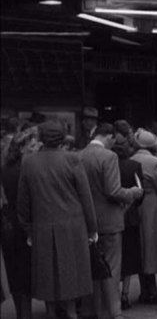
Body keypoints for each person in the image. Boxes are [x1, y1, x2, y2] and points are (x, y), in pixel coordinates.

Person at [18, 121, 98, 319]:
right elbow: (85, 197)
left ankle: (51, 312)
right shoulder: (72, 159)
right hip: (73, 226)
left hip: (42, 225)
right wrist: (92, 228)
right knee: (72, 275)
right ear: (62, 138)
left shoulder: (28, 162)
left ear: (41, 138)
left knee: (47, 276)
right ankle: (71, 313)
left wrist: (28, 229)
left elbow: (23, 201)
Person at [79, 122, 144, 319]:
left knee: (92, 268)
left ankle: (94, 310)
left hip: (87, 220)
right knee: (111, 268)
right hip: (110, 220)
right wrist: (133, 192)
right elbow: (113, 191)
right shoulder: (109, 157)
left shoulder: (79, 156)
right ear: (108, 137)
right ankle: (113, 312)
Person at [1, 126, 40, 319]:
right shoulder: (29, 167)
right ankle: (26, 314)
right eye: (32, 145)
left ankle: (21, 314)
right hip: (25, 223)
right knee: (26, 271)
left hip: (8, 223)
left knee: (14, 271)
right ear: (23, 147)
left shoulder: (5, 167)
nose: (35, 148)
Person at [130, 128, 157, 305]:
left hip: (136, 206)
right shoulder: (155, 162)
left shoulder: (130, 160)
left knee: (142, 248)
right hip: (154, 204)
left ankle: (146, 288)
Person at [112, 134, 144, 311]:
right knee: (130, 258)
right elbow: (141, 194)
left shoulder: (108, 164)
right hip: (130, 217)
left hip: (112, 215)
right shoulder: (134, 166)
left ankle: (114, 294)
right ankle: (125, 294)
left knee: (114, 259)